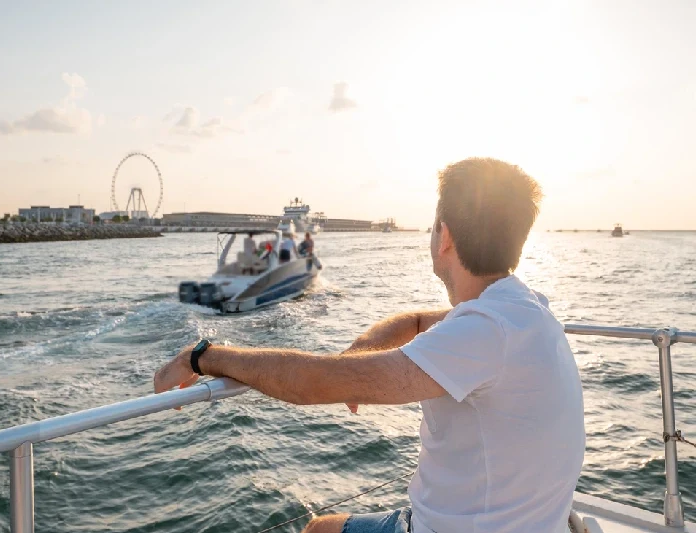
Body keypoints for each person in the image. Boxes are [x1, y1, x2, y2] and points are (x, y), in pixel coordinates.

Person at [154, 158, 585, 533]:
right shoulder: (523, 310)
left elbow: (311, 385)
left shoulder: (484, 331)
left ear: (445, 236)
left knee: (319, 529)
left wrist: (201, 355)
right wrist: (358, 358)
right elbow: (414, 320)